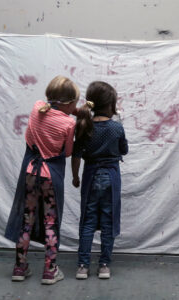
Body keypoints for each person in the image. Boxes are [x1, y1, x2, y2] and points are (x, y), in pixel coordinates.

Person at [5, 75, 79, 285]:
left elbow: (29, 136)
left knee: (26, 220)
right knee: (50, 222)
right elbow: (66, 153)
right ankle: (50, 270)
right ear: (70, 103)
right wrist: (70, 114)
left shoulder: (37, 108)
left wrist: (64, 106)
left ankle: (19, 268)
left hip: (30, 172)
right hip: (50, 177)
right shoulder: (69, 123)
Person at [72, 81, 128, 280]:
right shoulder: (116, 128)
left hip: (90, 176)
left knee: (87, 222)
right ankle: (104, 265)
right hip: (111, 178)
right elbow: (124, 150)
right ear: (111, 105)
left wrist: (75, 177)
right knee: (108, 221)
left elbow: (76, 154)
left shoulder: (84, 126)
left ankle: (82, 266)